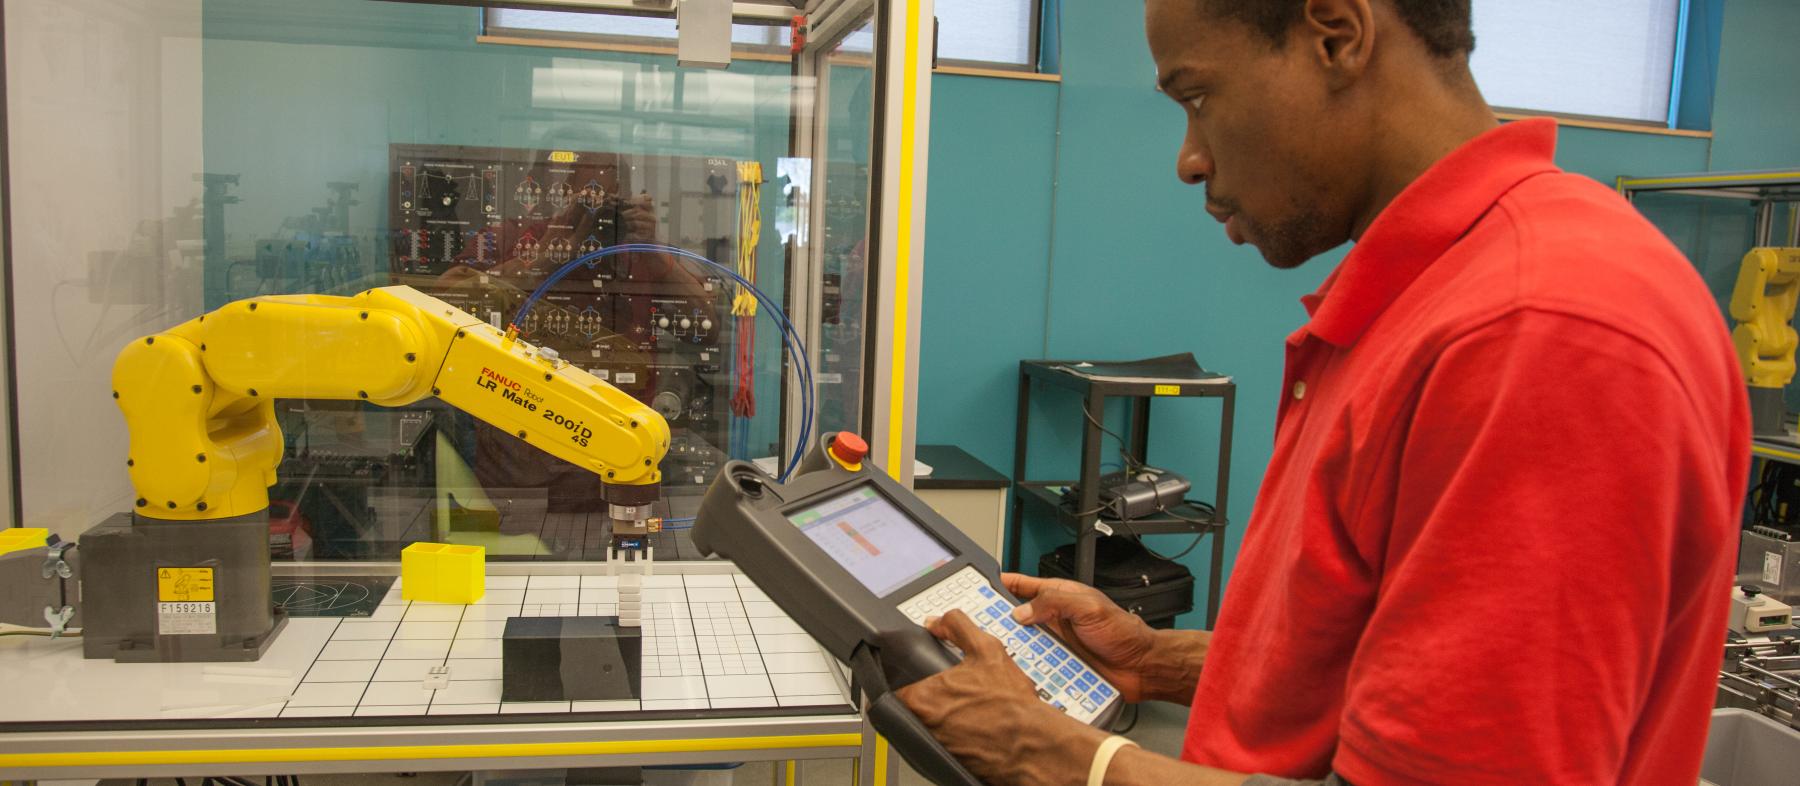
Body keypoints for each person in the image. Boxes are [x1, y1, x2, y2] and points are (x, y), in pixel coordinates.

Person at [896, 1, 1749, 785]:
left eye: (1197, 98)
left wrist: (1059, 756)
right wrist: (1155, 661)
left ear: (1337, 35)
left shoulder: (1538, 330)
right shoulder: (1440, 295)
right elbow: (1393, 665)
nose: (1190, 159)